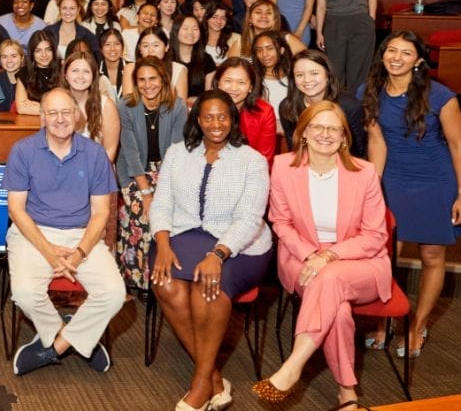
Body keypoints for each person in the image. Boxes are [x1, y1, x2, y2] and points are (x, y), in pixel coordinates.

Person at [253, 102, 390, 409]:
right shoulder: (284, 167)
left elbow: (375, 235)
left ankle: (292, 367)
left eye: (333, 128)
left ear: (344, 137)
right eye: (317, 127)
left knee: (329, 277)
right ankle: (347, 394)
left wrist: (328, 257)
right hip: (302, 260)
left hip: (361, 263)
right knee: (337, 310)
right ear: (303, 133)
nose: (325, 134)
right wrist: (311, 254)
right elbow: (281, 222)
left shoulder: (364, 172)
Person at [149, 91, 272, 411]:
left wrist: (218, 254)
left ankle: (202, 383)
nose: (215, 123)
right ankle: (214, 377)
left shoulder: (252, 161)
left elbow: (249, 219)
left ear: (233, 120)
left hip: (241, 245)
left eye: (222, 117)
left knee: (208, 287)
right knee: (165, 283)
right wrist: (162, 244)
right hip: (184, 234)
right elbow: (161, 204)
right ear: (197, 120)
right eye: (208, 117)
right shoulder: (178, 153)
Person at [6, 88, 123, 376]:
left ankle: (55, 347)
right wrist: (49, 251)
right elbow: (16, 211)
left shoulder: (94, 154)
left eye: (66, 112)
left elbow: (101, 213)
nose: (60, 119)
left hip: (82, 235)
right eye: (52, 113)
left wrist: (81, 252)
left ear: (78, 116)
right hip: (33, 234)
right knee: (23, 293)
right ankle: (78, 337)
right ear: (42, 118)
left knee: (114, 293)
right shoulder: (23, 150)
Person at [360, 31, 461, 359]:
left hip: (436, 180)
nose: (396, 57)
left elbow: (458, 145)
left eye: (406, 52)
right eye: (391, 50)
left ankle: (418, 323)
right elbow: (377, 143)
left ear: (419, 60)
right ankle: (385, 319)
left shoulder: (441, 96)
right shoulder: (369, 92)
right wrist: (372, 189)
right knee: (385, 256)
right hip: (394, 180)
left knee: (432, 256)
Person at [116, 58, 187, 292]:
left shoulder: (177, 106)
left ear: (163, 79)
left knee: (169, 210)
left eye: (153, 79)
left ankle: (167, 275)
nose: (148, 85)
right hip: (134, 173)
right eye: (142, 80)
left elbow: (175, 152)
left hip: (167, 171)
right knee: (143, 211)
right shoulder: (125, 106)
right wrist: (146, 193)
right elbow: (130, 152)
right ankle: (140, 279)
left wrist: (162, 192)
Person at [279, 49, 365, 157]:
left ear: (327, 74)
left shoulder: (349, 106)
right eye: (300, 75)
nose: (307, 80)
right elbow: (295, 149)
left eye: (314, 73)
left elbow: (358, 150)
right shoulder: (288, 107)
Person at [316, 0, 375, 93]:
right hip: (334, 24)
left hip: (360, 22)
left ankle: (358, 106)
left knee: (359, 69)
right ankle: (339, 106)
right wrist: (319, 33)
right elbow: (321, 7)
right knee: (335, 69)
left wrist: (371, 18)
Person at [214, 56, 277, 164]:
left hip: (250, 173)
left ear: (251, 87)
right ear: (218, 83)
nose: (234, 88)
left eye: (241, 82)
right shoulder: (205, 107)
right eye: (228, 81)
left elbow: (264, 159)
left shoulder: (264, 112)